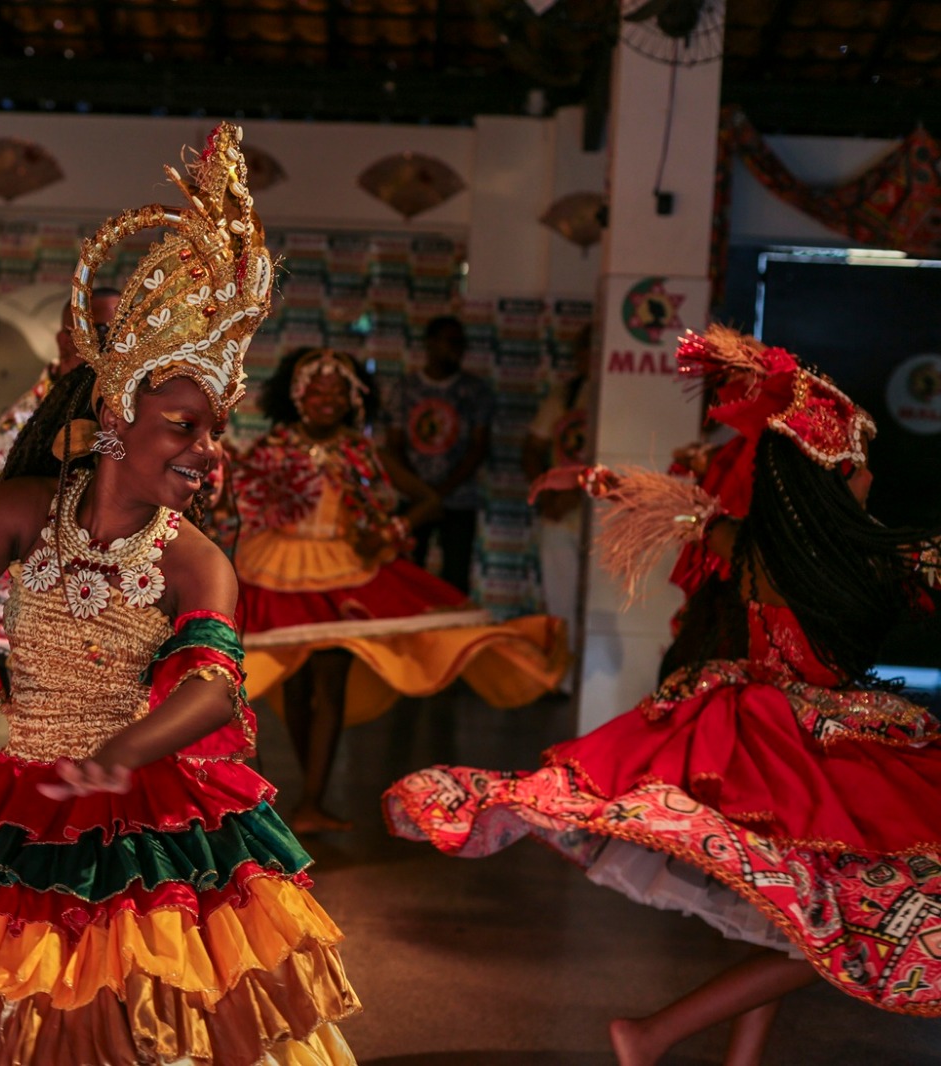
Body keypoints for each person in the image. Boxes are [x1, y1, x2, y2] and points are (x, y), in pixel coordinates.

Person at [0, 123, 359, 1065]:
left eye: (214, 431)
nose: (204, 451)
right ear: (114, 417)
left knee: (131, 1016)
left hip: (146, 813)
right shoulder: (25, 510)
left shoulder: (196, 560)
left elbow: (213, 687)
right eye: (181, 426)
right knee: (3, 1007)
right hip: (23, 796)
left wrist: (122, 752)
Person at [384, 325, 941, 1066]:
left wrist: (589, 479)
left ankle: (708, 1054)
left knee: (796, 923)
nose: (871, 474)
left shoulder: (749, 544)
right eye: (860, 463)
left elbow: (666, 505)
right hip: (810, 756)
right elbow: (671, 504)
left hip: (756, 727)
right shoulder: (882, 561)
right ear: (831, 474)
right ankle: (650, 1033)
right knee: (818, 936)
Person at [234, 347, 570, 833]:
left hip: (346, 571)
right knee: (297, 687)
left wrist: (387, 534)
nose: (325, 400)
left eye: (337, 392)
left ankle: (312, 797)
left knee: (329, 683)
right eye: (316, 391)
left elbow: (429, 501)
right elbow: (246, 501)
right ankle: (305, 797)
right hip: (276, 568)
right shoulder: (270, 448)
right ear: (296, 396)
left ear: (353, 401)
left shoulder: (363, 451)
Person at [0, 288, 121, 650]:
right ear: (65, 343)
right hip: (25, 633)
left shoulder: (128, 406)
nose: (116, 344)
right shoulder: (31, 422)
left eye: (125, 332)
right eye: (102, 333)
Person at [384, 314, 493, 594]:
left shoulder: (475, 390)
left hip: (459, 499)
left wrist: (441, 492)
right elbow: (394, 445)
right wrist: (421, 491)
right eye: (450, 341)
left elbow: (478, 447)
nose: (457, 347)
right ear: (430, 344)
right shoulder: (406, 388)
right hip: (413, 499)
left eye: (461, 342)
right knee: (406, 574)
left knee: (456, 578)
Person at [521, 325, 592, 685]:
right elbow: (532, 448)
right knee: (560, 599)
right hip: (559, 513)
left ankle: (593, 681)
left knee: (598, 602)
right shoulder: (565, 395)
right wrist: (548, 492)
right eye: (584, 349)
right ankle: (564, 677)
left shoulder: (624, 394)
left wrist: (577, 493)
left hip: (601, 510)